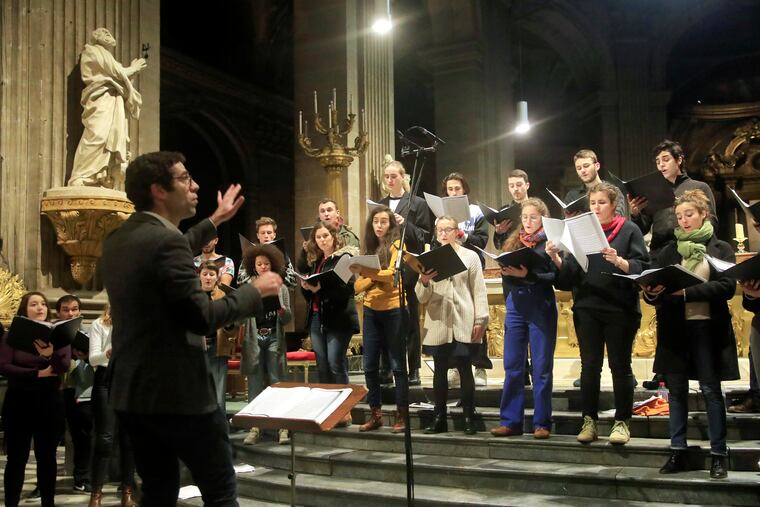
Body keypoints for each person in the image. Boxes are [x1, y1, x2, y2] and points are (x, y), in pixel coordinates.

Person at [101, 151, 283, 505]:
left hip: (132, 391)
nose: (195, 184)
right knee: (219, 488)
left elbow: (172, 249)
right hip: (177, 393)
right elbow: (200, 316)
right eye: (185, 178)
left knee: (158, 490)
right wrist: (252, 292)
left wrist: (215, 219)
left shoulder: (119, 239)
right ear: (159, 190)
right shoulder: (164, 242)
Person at [642, 189, 737, 479]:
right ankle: (678, 451)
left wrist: (685, 292)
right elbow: (657, 287)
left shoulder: (721, 248)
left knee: (711, 391)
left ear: (703, 215)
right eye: (680, 216)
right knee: (677, 394)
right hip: (676, 332)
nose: (683, 220)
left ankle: (719, 454)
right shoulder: (669, 252)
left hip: (708, 330)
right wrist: (650, 293)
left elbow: (727, 287)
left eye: (689, 215)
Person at [548, 182, 649, 445]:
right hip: (587, 307)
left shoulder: (629, 230)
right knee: (589, 367)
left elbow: (643, 267)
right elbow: (569, 275)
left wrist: (621, 261)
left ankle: (622, 421)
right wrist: (557, 259)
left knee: (619, 366)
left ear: (614, 205)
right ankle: (589, 421)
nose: (596, 207)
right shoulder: (581, 233)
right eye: (593, 203)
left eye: (601, 202)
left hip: (619, 308)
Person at [629, 140, 718, 390]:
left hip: (690, 254)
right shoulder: (654, 190)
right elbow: (644, 228)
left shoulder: (697, 187)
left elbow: (713, 222)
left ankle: (699, 368)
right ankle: (666, 370)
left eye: (665, 160)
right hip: (661, 253)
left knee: (693, 314)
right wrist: (636, 213)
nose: (661, 165)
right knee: (664, 313)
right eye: (657, 162)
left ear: (679, 160)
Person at [490, 198, 558, 439]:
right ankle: (511, 421)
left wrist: (528, 274)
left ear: (543, 219)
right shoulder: (515, 241)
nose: (528, 222)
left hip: (541, 306)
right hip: (516, 306)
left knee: (541, 368)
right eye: (525, 217)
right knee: (513, 366)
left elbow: (555, 277)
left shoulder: (549, 243)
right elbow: (507, 274)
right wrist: (510, 272)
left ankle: (542, 423)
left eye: (534, 218)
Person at [416, 216, 489, 435]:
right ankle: (439, 418)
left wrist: (481, 320)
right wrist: (425, 280)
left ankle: (469, 416)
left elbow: (478, 290)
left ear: (457, 232)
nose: (443, 233)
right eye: (439, 230)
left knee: (465, 368)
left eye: (447, 229)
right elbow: (421, 297)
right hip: (439, 322)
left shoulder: (470, 257)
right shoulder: (428, 259)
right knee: (439, 371)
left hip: (463, 320)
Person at [0, 292, 70, 507]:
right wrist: (35, 373)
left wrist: (50, 354)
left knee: (47, 457)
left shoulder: (58, 335)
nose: (40, 308)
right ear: (24, 309)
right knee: (17, 458)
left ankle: (48, 503)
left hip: (49, 402)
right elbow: (4, 365)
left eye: (43, 304)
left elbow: (63, 366)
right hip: (19, 401)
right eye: (33, 304)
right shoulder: (12, 335)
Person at [352, 206, 409, 433]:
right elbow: (357, 286)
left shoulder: (397, 245)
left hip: (394, 308)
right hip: (371, 310)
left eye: (384, 221)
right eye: (375, 221)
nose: (379, 225)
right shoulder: (369, 250)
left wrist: (370, 275)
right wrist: (375, 278)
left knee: (397, 365)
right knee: (369, 366)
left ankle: (401, 415)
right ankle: (375, 414)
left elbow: (393, 277)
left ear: (391, 224)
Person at [432, 172, 492, 387]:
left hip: (471, 268)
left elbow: (482, 240)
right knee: (451, 324)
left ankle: (481, 368)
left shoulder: (476, 212)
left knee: (475, 318)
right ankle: (455, 369)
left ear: (464, 189)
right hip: (448, 272)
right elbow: (435, 241)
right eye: (450, 189)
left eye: (457, 188)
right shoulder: (441, 217)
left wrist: (461, 235)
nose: (454, 192)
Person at [68, 28, 147, 189]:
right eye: (105, 33)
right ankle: (81, 175)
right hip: (100, 98)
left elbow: (118, 75)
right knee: (97, 135)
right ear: (96, 36)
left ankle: (101, 176)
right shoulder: (92, 51)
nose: (109, 36)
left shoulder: (108, 56)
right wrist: (134, 68)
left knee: (111, 135)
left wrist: (130, 70)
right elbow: (118, 73)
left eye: (110, 33)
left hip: (112, 98)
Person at [379, 156, 432, 386]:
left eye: (394, 176)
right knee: (387, 319)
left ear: (403, 178)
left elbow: (424, 236)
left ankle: (414, 369)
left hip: (408, 265)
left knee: (409, 319)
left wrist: (404, 223)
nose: (390, 180)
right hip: (386, 264)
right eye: (387, 177)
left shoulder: (416, 203)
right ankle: (388, 367)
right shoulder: (380, 204)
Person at [239, 243, 293, 445]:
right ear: (254, 266)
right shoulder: (248, 287)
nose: (262, 266)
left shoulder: (282, 287)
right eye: (259, 264)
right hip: (254, 339)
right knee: (254, 384)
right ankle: (255, 427)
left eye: (266, 263)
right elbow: (240, 315)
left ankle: (283, 427)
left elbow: (288, 318)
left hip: (273, 337)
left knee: (277, 382)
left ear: (273, 265)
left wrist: (281, 310)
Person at [300, 220, 359, 392]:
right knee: (323, 366)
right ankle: (327, 408)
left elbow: (347, 290)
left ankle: (342, 409)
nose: (322, 240)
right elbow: (311, 295)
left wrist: (320, 288)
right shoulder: (317, 261)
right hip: (317, 316)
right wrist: (307, 288)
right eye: (318, 237)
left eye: (325, 236)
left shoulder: (343, 257)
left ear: (333, 237)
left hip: (339, 318)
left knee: (335, 363)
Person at [87, 304, 137, 507]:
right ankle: (96, 495)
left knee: (128, 440)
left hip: (128, 381)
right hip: (105, 380)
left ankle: (127, 493)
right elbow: (93, 359)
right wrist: (107, 353)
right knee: (105, 439)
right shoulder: (99, 324)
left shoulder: (138, 325)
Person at [56, 294, 94, 493]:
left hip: (79, 390)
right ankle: (43, 482)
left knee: (82, 435)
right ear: (58, 312)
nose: (70, 313)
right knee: (50, 437)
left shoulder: (88, 332)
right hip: (53, 390)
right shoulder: (52, 333)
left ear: (79, 311)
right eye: (66, 309)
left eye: (74, 309)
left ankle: (81, 477)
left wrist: (86, 355)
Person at [198, 259, 238, 412]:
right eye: (205, 274)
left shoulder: (224, 295)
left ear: (217, 277)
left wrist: (227, 322)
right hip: (197, 348)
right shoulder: (192, 296)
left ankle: (220, 430)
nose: (208, 278)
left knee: (218, 393)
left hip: (218, 346)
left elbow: (234, 324)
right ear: (199, 276)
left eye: (212, 274)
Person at [563, 149, 627, 218]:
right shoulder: (571, 196)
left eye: (586, 166)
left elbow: (617, 218)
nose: (583, 170)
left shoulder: (614, 191)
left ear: (597, 166)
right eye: (579, 168)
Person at [237, 216, 297, 287]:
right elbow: (239, 281)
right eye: (263, 233)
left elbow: (293, 282)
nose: (266, 236)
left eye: (269, 233)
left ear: (274, 235)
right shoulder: (251, 253)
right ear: (258, 235)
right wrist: (254, 274)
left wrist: (280, 275)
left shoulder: (282, 254)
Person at [493, 169, 531, 250]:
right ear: (509, 188)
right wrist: (498, 233)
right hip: (509, 256)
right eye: (512, 186)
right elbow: (498, 246)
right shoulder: (504, 211)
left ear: (527, 185)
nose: (515, 189)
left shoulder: (536, 209)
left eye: (519, 185)